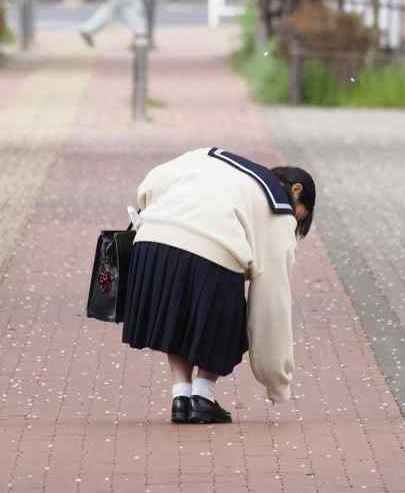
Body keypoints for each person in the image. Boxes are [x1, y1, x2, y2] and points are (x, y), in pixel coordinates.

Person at [122, 147, 316, 424]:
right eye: (301, 216)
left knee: (177, 316)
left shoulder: (212, 157)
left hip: (153, 246)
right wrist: (277, 381)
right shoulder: (279, 207)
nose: (294, 222)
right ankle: (203, 396)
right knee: (232, 321)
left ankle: (181, 396)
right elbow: (273, 299)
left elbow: (151, 183)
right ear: (296, 190)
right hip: (211, 254)